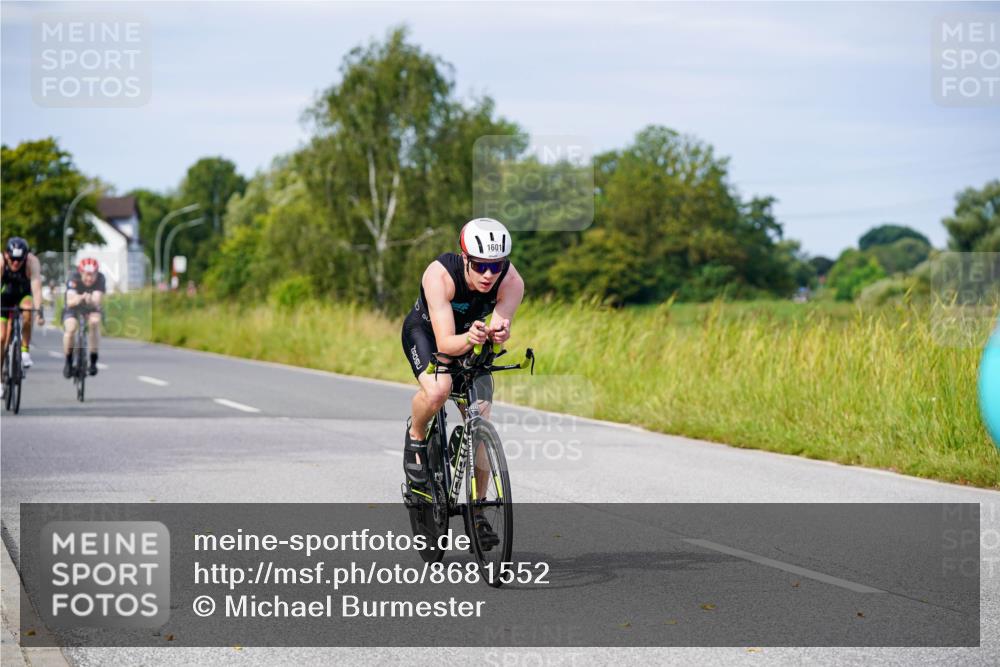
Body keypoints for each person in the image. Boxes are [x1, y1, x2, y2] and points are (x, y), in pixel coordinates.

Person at [400, 218, 524, 544]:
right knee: (439, 390)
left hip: (469, 338)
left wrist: (498, 333)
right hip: (428, 334)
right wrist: (471, 337)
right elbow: (445, 344)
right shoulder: (439, 275)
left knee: (481, 415)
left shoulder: (511, 281)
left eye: (495, 265)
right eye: (481, 265)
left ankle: (478, 510)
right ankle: (416, 434)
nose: (488, 275)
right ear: (465, 257)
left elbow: (497, 332)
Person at [1, 238, 44, 385]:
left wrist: (39, 312)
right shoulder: (0, 263)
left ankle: (25, 351)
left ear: (25, 256)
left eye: (19, 260)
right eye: (12, 259)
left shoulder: (32, 262)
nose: (15, 263)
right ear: (6, 255)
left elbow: (37, 289)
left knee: (28, 310)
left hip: (23, 294)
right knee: (1, 337)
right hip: (4, 296)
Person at [62, 257, 105, 378]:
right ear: (80, 272)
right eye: (86, 275)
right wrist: (80, 298)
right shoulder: (73, 277)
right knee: (70, 328)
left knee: (94, 322)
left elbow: (97, 300)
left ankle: (93, 359)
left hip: (91, 307)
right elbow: (70, 301)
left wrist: (90, 299)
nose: (90, 278)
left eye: (93, 275)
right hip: (73, 306)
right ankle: (68, 361)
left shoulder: (101, 279)